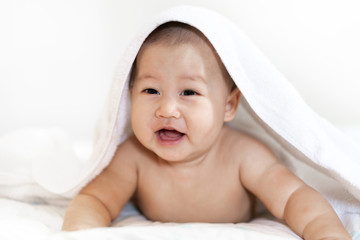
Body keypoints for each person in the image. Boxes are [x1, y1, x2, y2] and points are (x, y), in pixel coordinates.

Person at [62, 22, 351, 239]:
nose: (167, 110)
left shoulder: (242, 155)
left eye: (188, 92)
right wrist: (82, 230)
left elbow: (294, 198)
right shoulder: (133, 157)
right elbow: (94, 200)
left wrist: (324, 232)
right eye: (151, 90)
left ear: (228, 105)